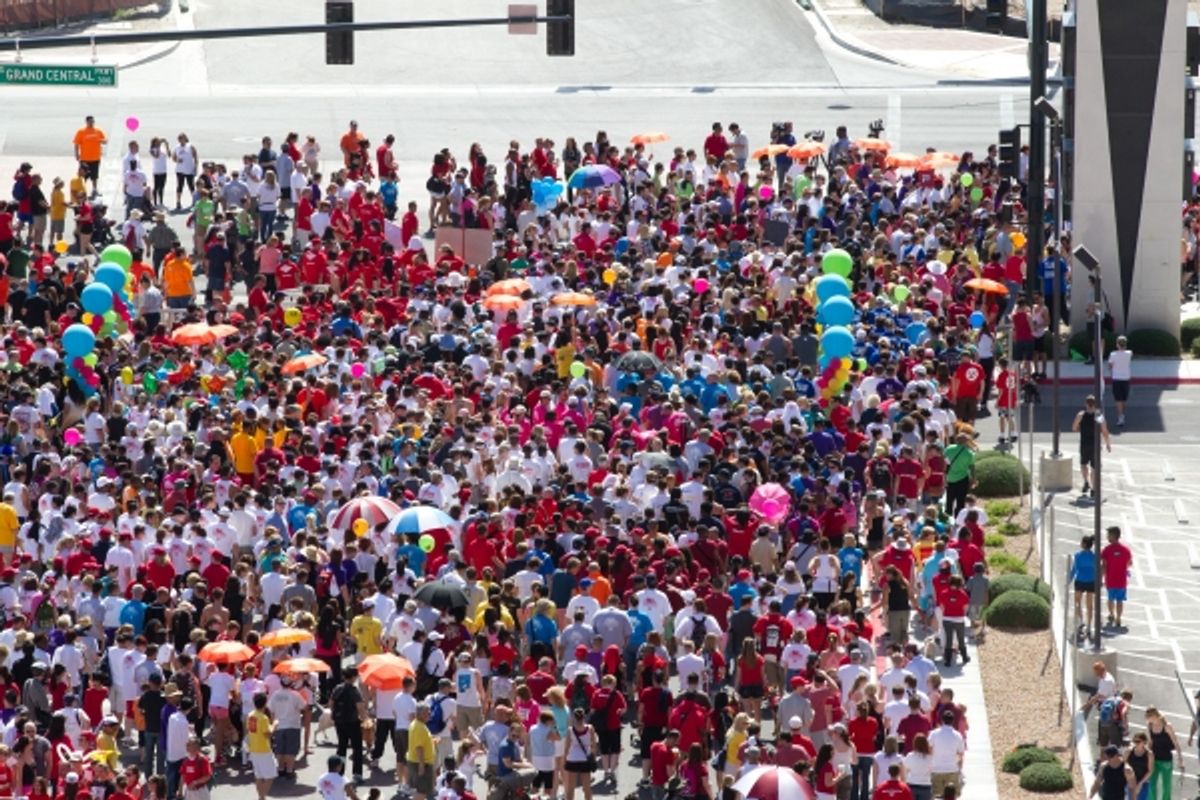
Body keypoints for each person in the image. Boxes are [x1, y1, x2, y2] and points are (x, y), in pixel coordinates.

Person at [331, 668, 367, 782]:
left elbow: (331, 703)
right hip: (353, 722)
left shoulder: (337, 688)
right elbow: (360, 708)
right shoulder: (354, 690)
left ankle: (338, 773)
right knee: (357, 748)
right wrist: (365, 719)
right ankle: (357, 774)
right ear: (353, 677)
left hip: (339, 722)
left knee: (341, 748)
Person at [1072, 394, 1112, 498]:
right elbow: (1104, 431)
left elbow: (1074, 427)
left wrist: (1081, 429)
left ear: (1086, 403)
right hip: (1095, 444)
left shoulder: (1081, 415)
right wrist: (1108, 444)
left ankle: (1086, 481)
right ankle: (1094, 488)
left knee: (1083, 464)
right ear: (1095, 404)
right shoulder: (1098, 415)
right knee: (1095, 467)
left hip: (1084, 443)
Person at [1144, 706, 1182, 800]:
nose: (1148, 718)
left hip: (1166, 760)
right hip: (1154, 758)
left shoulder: (1167, 726)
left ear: (1155, 715)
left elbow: (1175, 742)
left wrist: (1180, 759)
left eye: (1149, 716)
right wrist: (1146, 756)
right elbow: (1150, 742)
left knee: (1166, 786)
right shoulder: (1150, 726)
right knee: (1151, 784)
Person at [245, 692, 277, 800]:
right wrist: (274, 725)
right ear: (265, 703)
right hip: (263, 749)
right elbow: (268, 734)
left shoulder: (250, 715)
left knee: (258, 776)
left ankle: (261, 797)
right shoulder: (263, 718)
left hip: (253, 749)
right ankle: (262, 797)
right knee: (271, 775)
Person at [927, 711, 964, 797]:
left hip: (936, 769)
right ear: (953, 721)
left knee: (936, 796)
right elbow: (961, 753)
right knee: (951, 796)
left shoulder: (934, 734)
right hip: (952, 769)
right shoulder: (957, 735)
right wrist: (959, 767)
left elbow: (929, 749)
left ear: (942, 720)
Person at [1069, 536, 1098, 639]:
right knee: (1090, 605)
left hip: (1080, 581)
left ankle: (1081, 622)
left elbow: (1074, 570)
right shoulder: (1094, 556)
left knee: (1077, 602)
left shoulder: (1077, 555)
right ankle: (1089, 627)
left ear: (1084, 544)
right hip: (1091, 582)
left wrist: (1069, 580)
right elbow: (1097, 570)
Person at [72, 116, 107, 197]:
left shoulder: (98, 131)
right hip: (85, 158)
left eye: (92, 121)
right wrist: (76, 154)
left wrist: (101, 140)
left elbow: (105, 140)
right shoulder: (81, 131)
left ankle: (94, 190)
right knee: (83, 176)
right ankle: (81, 190)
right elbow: (76, 144)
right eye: (90, 121)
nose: (91, 123)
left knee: (95, 175)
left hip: (95, 158)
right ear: (86, 122)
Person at [1106, 335, 1132, 427]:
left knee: (1118, 399)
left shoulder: (1113, 355)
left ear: (1117, 344)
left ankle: (1120, 416)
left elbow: (1109, 366)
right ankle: (1122, 415)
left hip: (1116, 379)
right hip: (1126, 379)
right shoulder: (1129, 353)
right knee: (1124, 399)